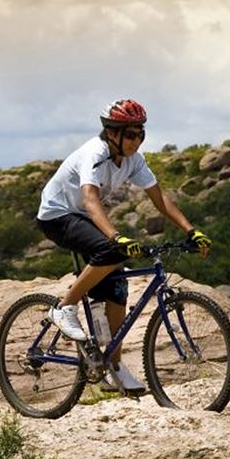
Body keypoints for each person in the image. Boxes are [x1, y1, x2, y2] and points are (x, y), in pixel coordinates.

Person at [35, 98, 212, 393]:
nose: (136, 141)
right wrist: (116, 238)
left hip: (82, 215)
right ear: (112, 133)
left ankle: (112, 366)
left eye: (141, 134)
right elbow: (90, 199)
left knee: (117, 285)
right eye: (130, 134)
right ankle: (64, 308)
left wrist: (192, 230)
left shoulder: (133, 160)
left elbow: (159, 199)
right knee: (112, 250)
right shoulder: (95, 152)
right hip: (57, 215)